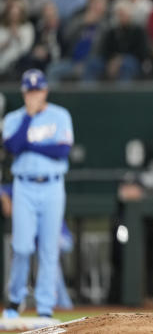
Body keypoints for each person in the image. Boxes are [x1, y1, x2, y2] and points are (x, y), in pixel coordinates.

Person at [2, 69, 73, 320]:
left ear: (45, 91)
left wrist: (30, 146)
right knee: (21, 247)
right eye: (30, 90)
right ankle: (14, 301)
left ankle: (45, 307)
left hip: (53, 186)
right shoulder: (14, 118)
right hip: (24, 186)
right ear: (24, 92)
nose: (34, 94)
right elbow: (12, 146)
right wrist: (29, 118)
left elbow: (62, 150)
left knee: (48, 248)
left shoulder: (59, 115)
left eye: (38, 90)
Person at [0, 184, 73, 310]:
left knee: (50, 259)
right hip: (40, 243)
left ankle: (63, 303)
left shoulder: (47, 198)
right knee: (37, 256)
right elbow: (6, 203)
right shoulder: (19, 187)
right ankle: (62, 303)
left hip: (62, 238)